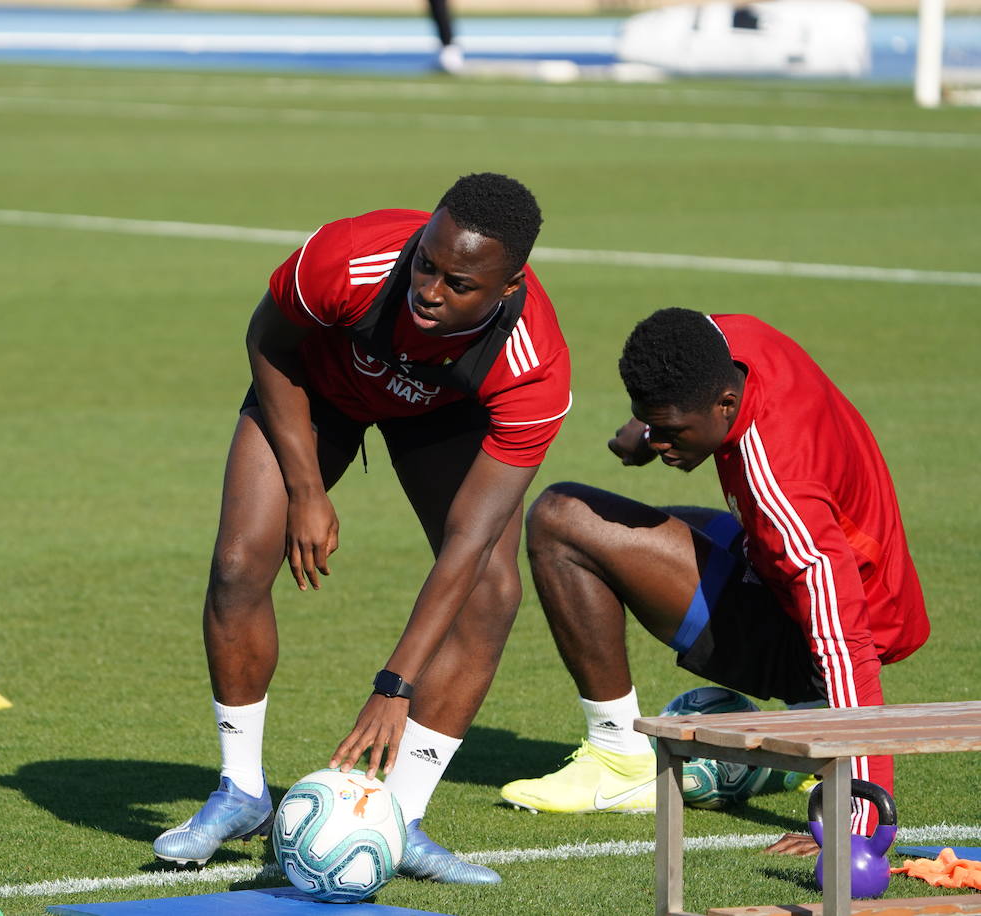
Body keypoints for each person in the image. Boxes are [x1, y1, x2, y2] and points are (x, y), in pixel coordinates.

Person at [153, 173, 571, 883]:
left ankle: (403, 819)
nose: (429, 289)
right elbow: (269, 341)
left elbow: (469, 544)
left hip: (444, 416)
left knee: (493, 592)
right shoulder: (351, 257)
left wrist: (395, 684)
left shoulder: (533, 372)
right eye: (427, 263)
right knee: (237, 563)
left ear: (506, 289)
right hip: (315, 389)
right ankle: (241, 789)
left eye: (457, 283)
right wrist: (307, 489)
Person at [499, 308, 929, 846]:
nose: (660, 442)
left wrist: (856, 827)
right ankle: (810, 723)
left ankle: (619, 760)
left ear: (725, 404)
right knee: (651, 527)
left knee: (561, 520)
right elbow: (691, 334)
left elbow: (847, 646)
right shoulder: (732, 343)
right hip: (809, 571)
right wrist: (649, 427)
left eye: (672, 430)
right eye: (652, 425)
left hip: (824, 633)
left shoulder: (783, 487)